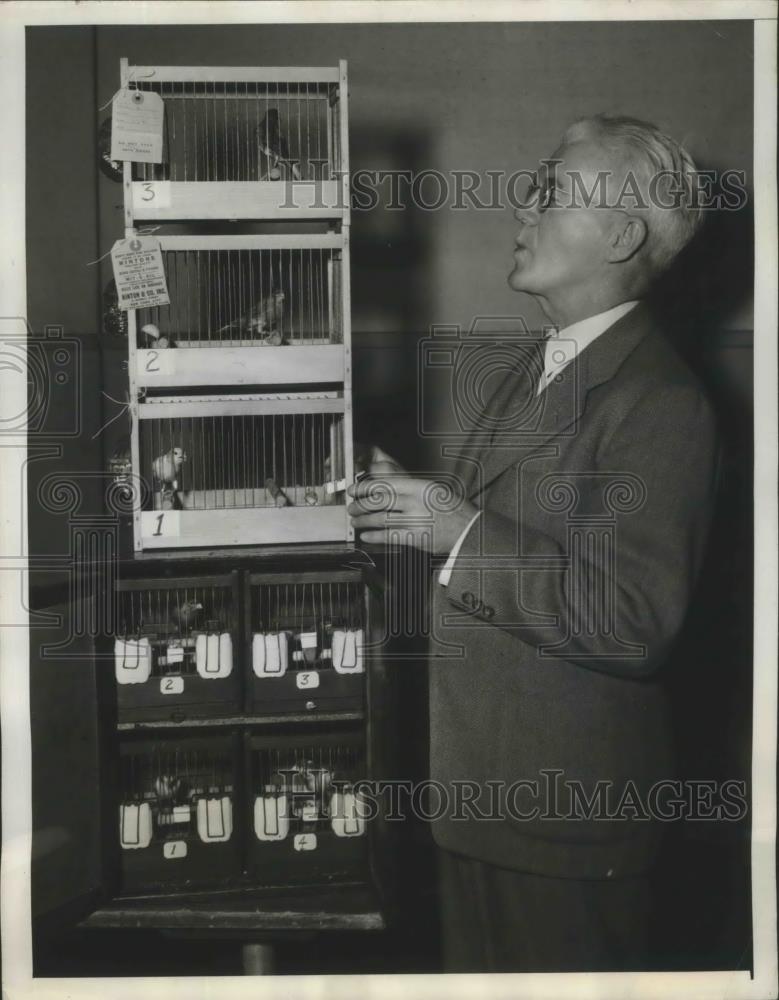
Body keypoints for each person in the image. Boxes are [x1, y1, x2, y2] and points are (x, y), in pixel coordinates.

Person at [348, 115, 719, 972]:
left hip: (564, 825)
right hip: (481, 802)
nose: (521, 209)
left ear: (620, 235)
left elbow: (629, 619)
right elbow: (496, 543)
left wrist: (456, 527)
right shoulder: (540, 362)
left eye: (548, 193)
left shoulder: (663, 402)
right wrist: (405, 504)